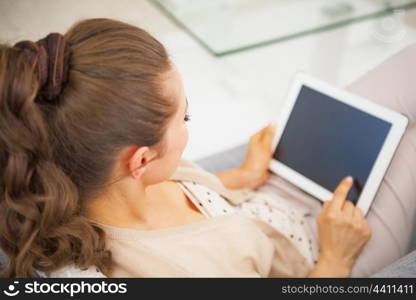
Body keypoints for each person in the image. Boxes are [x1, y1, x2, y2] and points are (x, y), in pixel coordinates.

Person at [5, 17, 411, 278]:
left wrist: (242, 176)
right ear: (140, 160)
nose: (187, 124)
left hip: (266, 197)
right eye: (185, 116)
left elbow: (190, 194)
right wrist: (337, 258)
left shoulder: (97, 177)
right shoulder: (187, 272)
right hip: (328, 252)